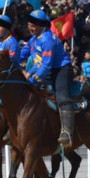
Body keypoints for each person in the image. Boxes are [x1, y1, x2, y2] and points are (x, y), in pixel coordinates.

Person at [21, 9, 74, 146]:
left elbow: (46, 66)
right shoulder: (33, 39)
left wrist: (31, 80)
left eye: (34, 25)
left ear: (43, 25)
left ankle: (67, 132)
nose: (31, 27)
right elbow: (22, 55)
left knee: (62, 96)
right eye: (30, 24)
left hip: (61, 69)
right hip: (46, 70)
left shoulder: (47, 40)